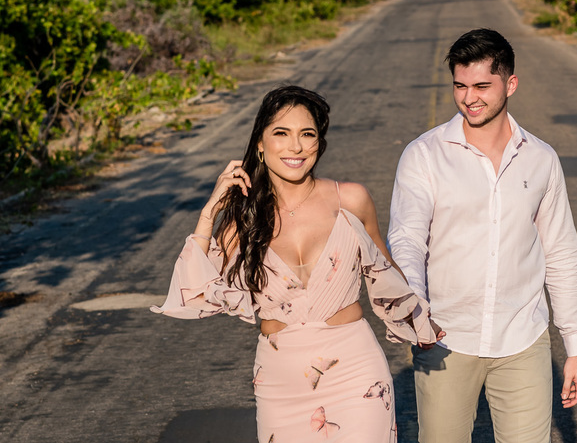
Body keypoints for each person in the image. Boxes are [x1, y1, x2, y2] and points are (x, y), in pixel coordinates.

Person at [152, 85, 439, 442]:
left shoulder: (350, 199)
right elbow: (193, 295)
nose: (296, 147)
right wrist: (210, 212)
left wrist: (420, 318)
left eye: (307, 134)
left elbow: (386, 273)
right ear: (260, 143)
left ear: (320, 141)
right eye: (281, 134)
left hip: (356, 370)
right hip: (280, 383)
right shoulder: (242, 220)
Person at [388, 28, 577, 443]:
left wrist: (576, 347)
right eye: (460, 86)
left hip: (522, 338)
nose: (469, 97)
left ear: (510, 84)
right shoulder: (424, 154)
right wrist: (416, 309)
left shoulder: (541, 159)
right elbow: (407, 239)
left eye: (482, 85)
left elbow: (561, 252)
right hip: (444, 338)